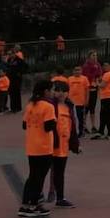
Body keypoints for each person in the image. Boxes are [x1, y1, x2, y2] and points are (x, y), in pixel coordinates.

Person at [19, 80, 56, 216]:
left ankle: (25, 205)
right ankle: (34, 205)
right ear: (46, 91)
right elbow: (49, 127)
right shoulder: (48, 107)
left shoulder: (30, 105)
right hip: (44, 147)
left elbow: (24, 125)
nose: (52, 92)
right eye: (51, 90)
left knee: (32, 176)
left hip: (31, 146)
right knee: (39, 177)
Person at [44, 80, 80, 208]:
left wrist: (75, 143)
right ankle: (37, 196)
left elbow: (73, 125)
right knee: (41, 172)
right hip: (49, 145)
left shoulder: (69, 106)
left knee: (59, 172)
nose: (60, 93)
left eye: (63, 91)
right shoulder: (50, 105)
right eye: (57, 90)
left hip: (63, 146)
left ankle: (60, 198)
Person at [95, 64, 110, 139]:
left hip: (106, 96)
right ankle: (101, 131)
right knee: (103, 114)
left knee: (106, 115)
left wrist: (97, 83)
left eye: (106, 66)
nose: (104, 67)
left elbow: (102, 85)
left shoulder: (107, 74)